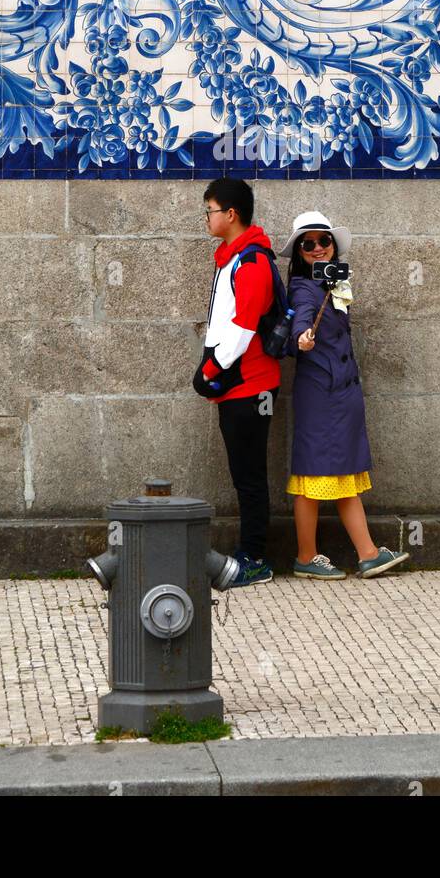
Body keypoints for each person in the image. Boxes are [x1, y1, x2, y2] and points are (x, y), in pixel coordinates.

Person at [279, 211, 409, 580]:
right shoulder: (304, 288)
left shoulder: (335, 285)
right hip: (323, 394)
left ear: (333, 246)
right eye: (309, 243)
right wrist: (301, 337)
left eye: (324, 241)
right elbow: (300, 318)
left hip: (340, 393)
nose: (318, 248)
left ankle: (359, 553)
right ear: (300, 252)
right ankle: (319, 555)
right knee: (315, 474)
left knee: (339, 474)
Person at [194, 178, 281, 587]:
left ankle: (256, 560)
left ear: (230, 214)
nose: (207, 217)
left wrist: (211, 371)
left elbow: (244, 328)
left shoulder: (251, 262)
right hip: (237, 382)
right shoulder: (233, 257)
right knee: (244, 473)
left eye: (210, 210)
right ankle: (250, 552)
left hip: (250, 384)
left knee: (249, 477)